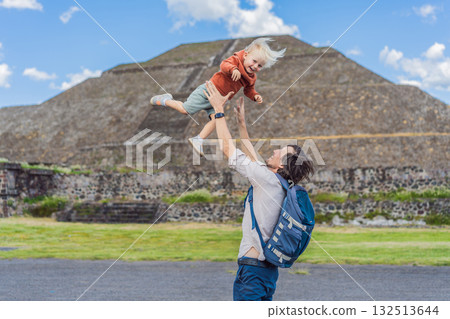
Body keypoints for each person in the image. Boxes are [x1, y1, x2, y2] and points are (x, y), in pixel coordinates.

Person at [203, 81, 315, 301]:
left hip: (252, 271)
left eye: (279, 151)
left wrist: (218, 111)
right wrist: (242, 124)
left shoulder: (266, 179)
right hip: (267, 273)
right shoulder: (280, 185)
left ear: (281, 165)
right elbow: (253, 156)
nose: (274, 150)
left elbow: (227, 149)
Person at [150, 38, 285, 156]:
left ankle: (199, 139)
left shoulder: (251, 78)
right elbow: (223, 65)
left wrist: (255, 96)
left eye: (260, 65)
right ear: (246, 55)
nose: (255, 66)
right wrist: (234, 69)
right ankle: (165, 99)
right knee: (185, 110)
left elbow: (249, 90)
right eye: (254, 61)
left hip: (219, 101)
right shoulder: (236, 60)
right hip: (208, 92)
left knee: (217, 119)